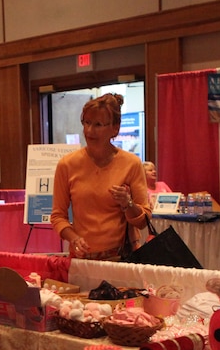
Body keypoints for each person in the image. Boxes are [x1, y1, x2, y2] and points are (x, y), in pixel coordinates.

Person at [50, 94, 151, 260]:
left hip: (121, 258)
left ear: (115, 128)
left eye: (98, 125)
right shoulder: (67, 164)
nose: (89, 131)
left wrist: (128, 204)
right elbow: (58, 216)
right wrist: (74, 238)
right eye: (87, 123)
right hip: (82, 260)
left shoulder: (131, 163)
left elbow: (143, 221)